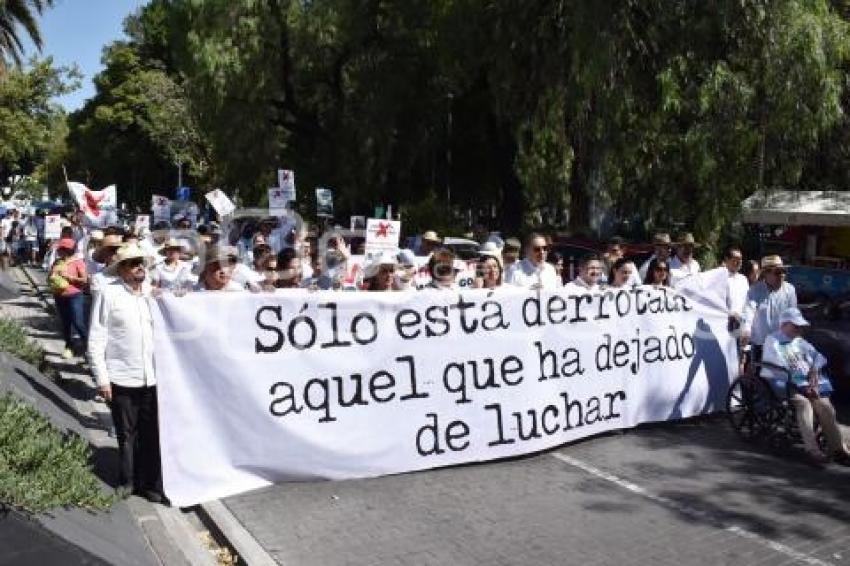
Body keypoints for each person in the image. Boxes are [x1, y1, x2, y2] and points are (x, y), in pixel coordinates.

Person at [87, 243, 167, 503]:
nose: (139, 267)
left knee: (152, 433)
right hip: (121, 376)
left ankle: (151, 483)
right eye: (133, 263)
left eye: (141, 262)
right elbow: (96, 338)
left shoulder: (153, 295)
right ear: (121, 269)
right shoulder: (109, 295)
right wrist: (102, 378)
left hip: (153, 377)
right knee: (127, 433)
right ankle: (128, 480)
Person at [761, 308, 850, 467]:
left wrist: (814, 369)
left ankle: (839, 450)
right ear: (785, 324)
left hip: (805, 382)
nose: (799, 329)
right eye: (796, 326)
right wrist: (801, 383)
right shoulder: (772, 340)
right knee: (804, 404)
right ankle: (813, 450)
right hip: (783, 381)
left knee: (825, 406)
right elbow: (778, 365)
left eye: (800, 327)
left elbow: (818, 356)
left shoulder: (800, 341)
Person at [742, 255, 797, 363]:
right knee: (759, 376)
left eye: (783, 271)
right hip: (761, 343)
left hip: (782, 343)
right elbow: (749, 311)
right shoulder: (755, 290)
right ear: (766, 273)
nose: (782, 275)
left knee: (782, 375)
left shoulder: (790, 290)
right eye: (777, 272)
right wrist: (746, 330)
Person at [50, 238, 89, 359]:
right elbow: (51, 277)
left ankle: (88, 345)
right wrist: (52, 275)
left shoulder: (78, 262)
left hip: (75, 296)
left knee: (78, 322)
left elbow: (84, 280)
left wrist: (69, 277)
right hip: (59, 295)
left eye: (60, 249)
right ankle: (69, 346)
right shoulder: (57, 262)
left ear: (66, 250)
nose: (58, 251)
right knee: (65, 323)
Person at [723, 245, 749, 334]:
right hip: (724, 325)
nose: (738, 262)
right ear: (726, 260)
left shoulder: (743, 279)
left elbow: (747, 302)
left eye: (740, 259)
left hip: (741, 325)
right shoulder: (720, 279)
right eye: (735, 259)